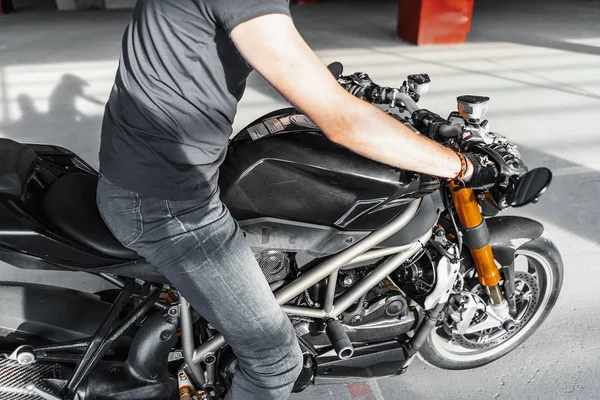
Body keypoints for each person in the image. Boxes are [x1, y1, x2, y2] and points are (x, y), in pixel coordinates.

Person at [96, 0, 497, 399]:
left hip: (142, 172)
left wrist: (335, 86)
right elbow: (342, 120)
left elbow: (277, 51)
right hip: (168, 204)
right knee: (276, 363)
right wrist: (460, 165)